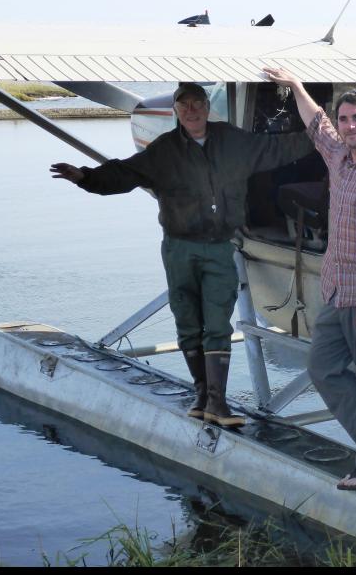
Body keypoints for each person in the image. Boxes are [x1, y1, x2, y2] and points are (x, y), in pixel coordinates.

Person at [50, 82, 313, 427]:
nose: (192, 110)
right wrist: (86, 177)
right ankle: (202, 395)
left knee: (217, 322)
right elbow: (126, 173)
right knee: (188, 321)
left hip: (219, 247)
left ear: (207, 106)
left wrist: (322, 136)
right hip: (179, 248)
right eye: (184, 104)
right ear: (176, 110)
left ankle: (217, 403)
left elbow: (278, 148)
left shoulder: (234, 140)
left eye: (198, 103)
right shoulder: (165, 150)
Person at [264, 68, 356, 491]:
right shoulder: (339, 155)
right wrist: (295, 86)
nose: (349, 126)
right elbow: (317, 123)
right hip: (336, 288)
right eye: (344, 118)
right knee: (322, 366)